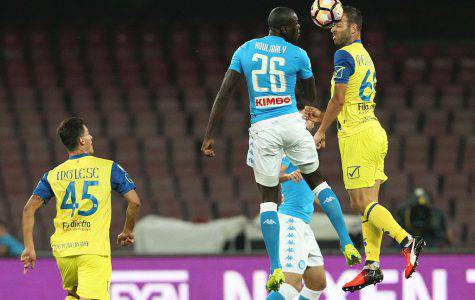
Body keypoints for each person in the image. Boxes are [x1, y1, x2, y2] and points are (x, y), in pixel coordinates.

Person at [201, 7, 360, 292]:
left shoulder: (245, 50)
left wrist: (210, 134)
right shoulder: (298, 54)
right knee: (319, 181)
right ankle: (346, 241)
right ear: (285, 29)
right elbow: (310, 96)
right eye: (297, 25)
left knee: (267, 199)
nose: (300, 29)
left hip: (262, 126)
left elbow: (225, 92)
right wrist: (293, 95)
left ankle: (274, 265)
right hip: (289, 120)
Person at [304, 6, 426, 292]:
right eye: (331, 24)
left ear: (354, 28)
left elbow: (339, 99)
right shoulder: (364, 56)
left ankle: (408, 241)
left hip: (359, 137)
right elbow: (348, 104)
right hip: (371, 131)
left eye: (338, 24)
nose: (332, 28)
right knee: (369, 204)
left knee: (360, 204)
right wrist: (322, 117)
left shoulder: (343, 55)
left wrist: (320, 132)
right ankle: (372, 265)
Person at [21, 117, 141, 300]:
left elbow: (28, 209)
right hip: (92, 250)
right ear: (81, 141)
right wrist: (127, 230)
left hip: (64, 251)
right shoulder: (108, 168)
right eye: (87, 133)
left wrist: (29, 247)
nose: (91, 136)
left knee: (74, 295)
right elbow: (135, 202)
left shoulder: (52, 175)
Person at [267, 106, 359, 300]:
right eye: (303, 116)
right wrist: (287, 175)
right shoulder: (291, 147)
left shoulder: (304, 148)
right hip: (291, 221)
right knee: (290, 285)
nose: (309, 119)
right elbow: (271, 175)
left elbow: (311, 191)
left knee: (317, 283)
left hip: (303, 224)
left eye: (309, 117)